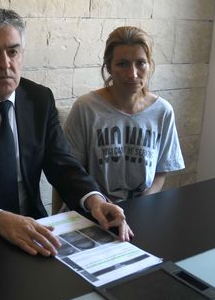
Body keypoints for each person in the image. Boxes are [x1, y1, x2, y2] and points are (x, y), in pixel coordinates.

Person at [0, 8, 132, 257]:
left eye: (13, 51)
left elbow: (62, 164)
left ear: (22, 54)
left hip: (33, 231)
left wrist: (94, 199)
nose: (5, 64)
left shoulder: (39, 99)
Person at [63, 26, 185, 204]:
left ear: (150, 65)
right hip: (95, 206)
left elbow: (160, 172)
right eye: (122, 64)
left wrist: (140, 206)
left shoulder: (163, 111)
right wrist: (100, 204)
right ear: (109, 67)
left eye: (140, 63)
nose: (132, 74)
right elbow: (71, 170)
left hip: (142, 208)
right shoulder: (86, 108)